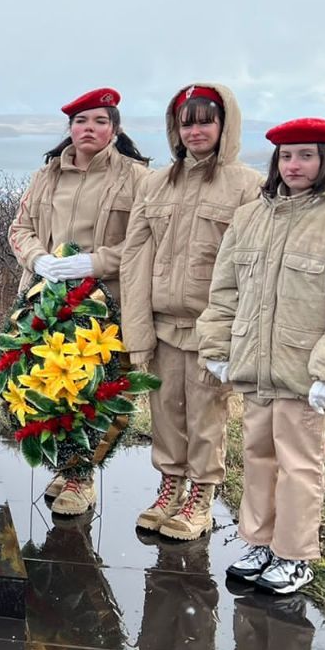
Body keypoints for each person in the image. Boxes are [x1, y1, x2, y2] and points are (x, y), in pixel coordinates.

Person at [197, 117, 325, 594]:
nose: (294, 165)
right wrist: (218, 347)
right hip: (255, 366)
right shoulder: (251, 217)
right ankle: (260, 541)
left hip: (306, 373)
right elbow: (224, 292)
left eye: (305, 155)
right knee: (257, 455)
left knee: (300, 464)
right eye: (286, 156)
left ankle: (294, 554)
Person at [120, 84, 262, 540]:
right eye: (187, 122)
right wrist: (137, 331)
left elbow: (250, 266)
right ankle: (170, 488)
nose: (196, 130)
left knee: (206, 414)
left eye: (206, 120)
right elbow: (135, 257)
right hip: (161, 325)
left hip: (210, 326)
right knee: (164, 411)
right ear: (175, 129)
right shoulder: (155, 183)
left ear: (225, 125)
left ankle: (201, 497)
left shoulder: (247, 186)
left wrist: (233, 335)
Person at [8, 87, 151, 515]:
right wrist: (41, 260)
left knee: (93, 391)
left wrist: (93, 263)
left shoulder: (138, 178)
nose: (89, 129)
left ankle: (81, 478)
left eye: (100, 121)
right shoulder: (47, 175)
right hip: (45, 300)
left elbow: (143, 243)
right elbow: (20, 229)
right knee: (46, 385)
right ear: (70, 128)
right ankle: (65, 466)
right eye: (81, 121)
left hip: (104, 304)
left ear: (115, 129)